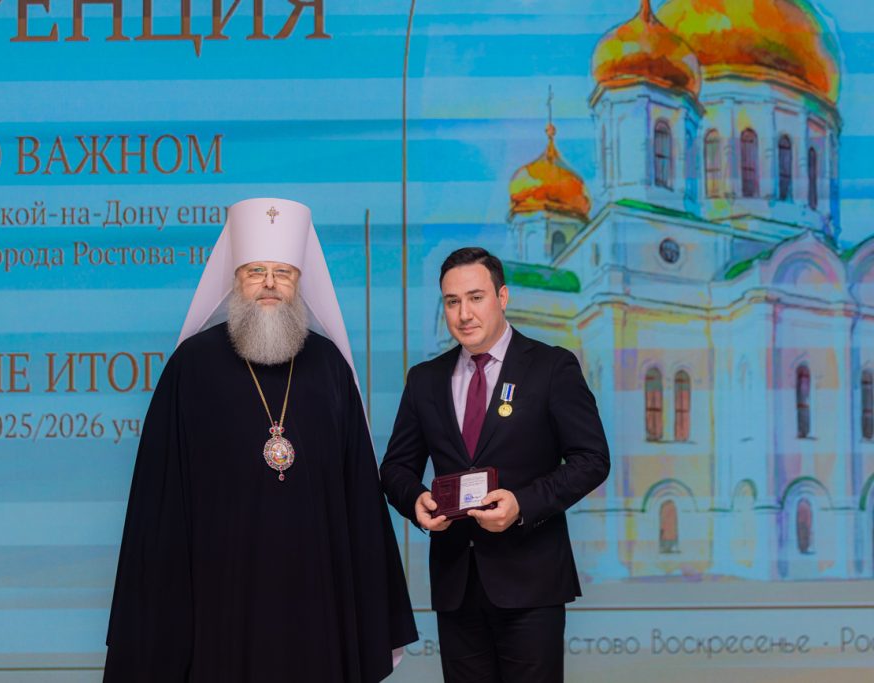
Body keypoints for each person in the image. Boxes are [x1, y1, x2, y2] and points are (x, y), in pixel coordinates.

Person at [104, 198, 417, 682]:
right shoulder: (192, 366)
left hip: (316, 592)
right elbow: (159, 499)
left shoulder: (330, 366)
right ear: (235, 280)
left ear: (299, 283)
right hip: (220, 592)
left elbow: (358, 493)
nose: (269, 283)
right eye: (256, 272)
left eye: (283, 273)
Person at [379, 247, 609, 683]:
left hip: (531, 581)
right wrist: (417, 501)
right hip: (456, 584)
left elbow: (592, 459)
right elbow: (395, 469)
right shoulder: (425, 379)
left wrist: (522, 504)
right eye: (452, 301)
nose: (464, 313)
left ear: (502, 297)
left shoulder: (551, 366)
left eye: (476, 297)